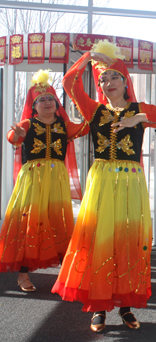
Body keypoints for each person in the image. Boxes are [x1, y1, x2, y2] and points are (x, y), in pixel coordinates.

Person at [51, 40, 156, 332]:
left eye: (113, 76)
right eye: (102, 78)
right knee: (101, 239)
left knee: (127, 241)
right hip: (103, 182)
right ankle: (98, 306)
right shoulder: (94, 111)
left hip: (131, 182)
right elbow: (70, 83)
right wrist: (88, 57)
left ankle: (125, 305)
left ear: (125, 81)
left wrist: (139, 117)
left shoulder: (139, 108)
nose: (108, 82)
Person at [0, 70, 87, 292]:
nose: (47, 102)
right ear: (34, 106)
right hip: (33, 180)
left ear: (57, 104)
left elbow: (84, 127)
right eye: (42, 100)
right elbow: (13, 138)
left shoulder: (63, 125)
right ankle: (23, 275)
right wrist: (17, 134)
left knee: (57, 221)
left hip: (56, 180)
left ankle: (66, 273)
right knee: (31, 223)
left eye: (51, 99)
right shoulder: (27, 124)